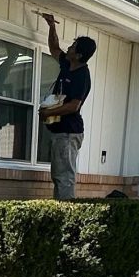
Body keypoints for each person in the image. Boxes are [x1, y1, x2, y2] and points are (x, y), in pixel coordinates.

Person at [39, 14, 96, 199]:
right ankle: (60, 211)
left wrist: (49, 111)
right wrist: (51, 26)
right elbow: (54, 48)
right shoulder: (67, 64)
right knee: (58, 176)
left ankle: (65, 217)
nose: (68, 48)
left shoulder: (81, 76)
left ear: (78, 55)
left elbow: (73, 106)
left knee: (64, 177)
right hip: (60, 132)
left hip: (69, 133)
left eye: (72, 47)